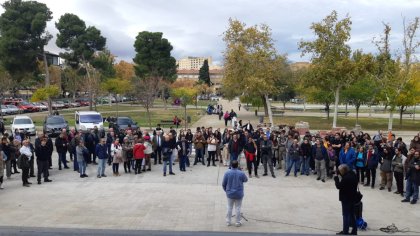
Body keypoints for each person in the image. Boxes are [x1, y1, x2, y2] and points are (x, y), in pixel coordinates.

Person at [222, 160, 248, 227]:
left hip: (230, 193)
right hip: (239, 194)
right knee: (238, 208)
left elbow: (223, 184)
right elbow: (246, 180)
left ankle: (228, 221)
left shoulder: (227, 173)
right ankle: (237, 222)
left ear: (231, 165)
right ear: (237, 165)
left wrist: (226, 191)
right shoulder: (241, 173)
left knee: (229, 207)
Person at [334, 164, 358, 235]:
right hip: (353, 198)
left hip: (346, 199)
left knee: (346, 215)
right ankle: (354, 231)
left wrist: (336, 178)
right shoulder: (353, 174)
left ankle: (345, 232)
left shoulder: (346, 178)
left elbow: (339, 186)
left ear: (343, 170)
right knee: (352, 214)